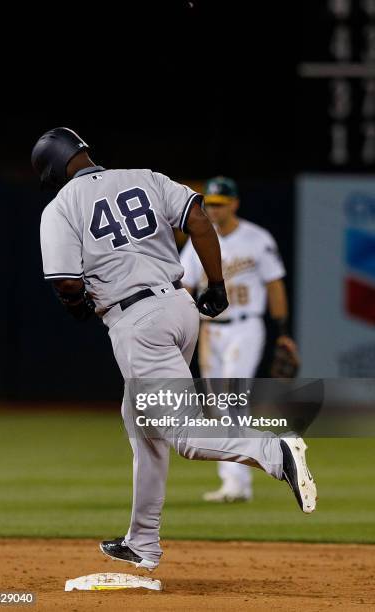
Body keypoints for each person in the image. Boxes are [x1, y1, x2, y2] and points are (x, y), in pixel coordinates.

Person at [32, 127, 317, 571]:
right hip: (181, 308)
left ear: (51, 170)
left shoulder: (61, 206)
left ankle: (274, 452)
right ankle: (142, 542)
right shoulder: (144, 176)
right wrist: (217, 283)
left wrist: (76, 304)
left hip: (138, 323)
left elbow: (65, 281)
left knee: (182, 433)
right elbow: (198, 218)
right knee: (141, 423)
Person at [180, 176, 299, 503]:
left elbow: (275, 286)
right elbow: (185, 287)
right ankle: (236, 482)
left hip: (246, 327)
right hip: (210, 331)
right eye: (210, 204)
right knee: (218, 406)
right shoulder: (198, 240)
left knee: (234, 397)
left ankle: (256, 467)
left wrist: (284, 332)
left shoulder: (257, 238)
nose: (214, 210)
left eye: (220, 204)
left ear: (234, 203)